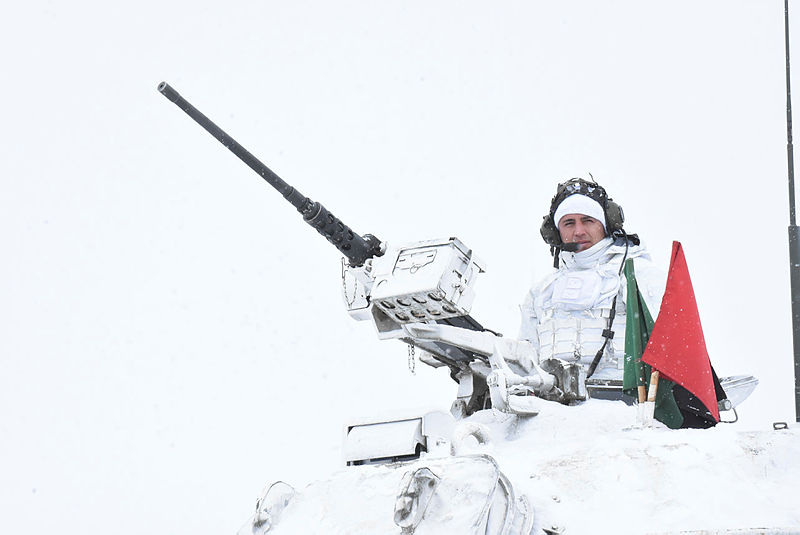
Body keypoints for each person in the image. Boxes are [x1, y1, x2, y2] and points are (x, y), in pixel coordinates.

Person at [518, 177, 666, 384]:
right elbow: (526, 364)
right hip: (554, 410)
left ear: (606, 224)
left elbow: (672, 350)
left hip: (627, 407)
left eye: (588, 220)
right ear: (555, 232)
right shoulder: (541, 292)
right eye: (569, 223)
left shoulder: (638, 275)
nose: (579, 231)